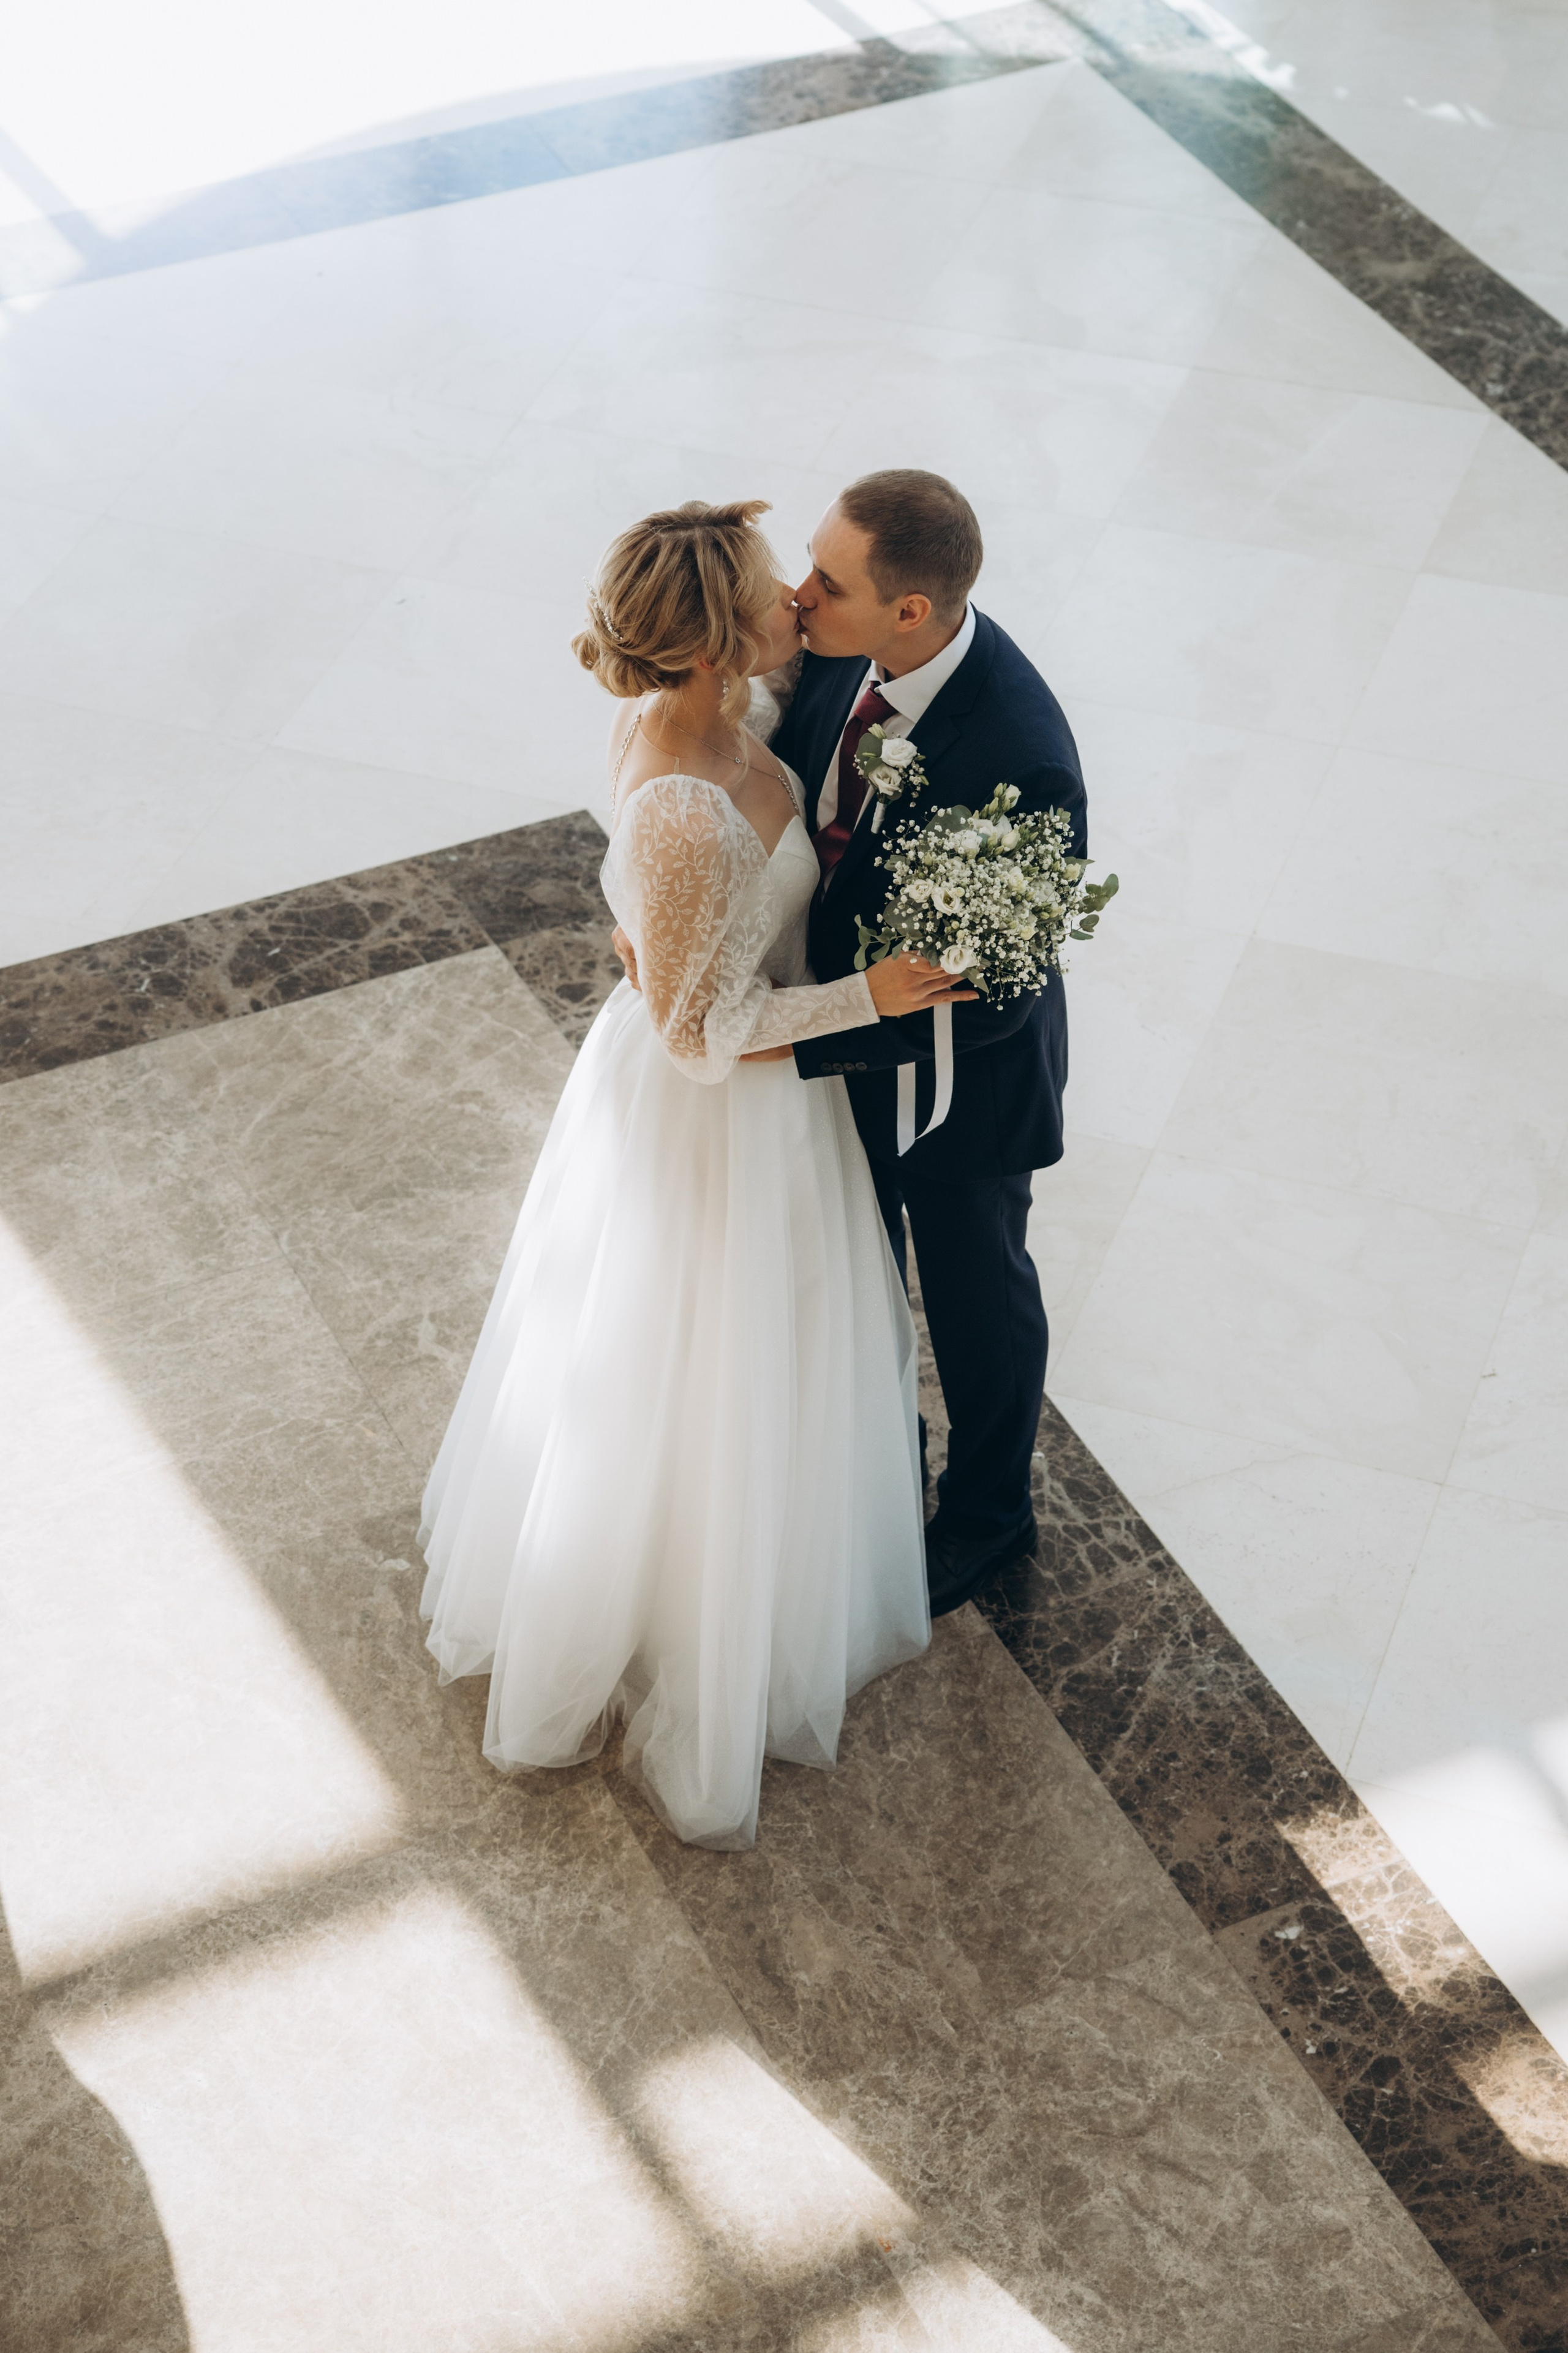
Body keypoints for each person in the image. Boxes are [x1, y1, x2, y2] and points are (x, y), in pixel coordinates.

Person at [418, 499, 974, 1851]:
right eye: (774, 587)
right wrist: (868, 994)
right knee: (697, 1368)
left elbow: (654, 929)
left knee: (765, 1362)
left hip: (760, 1094)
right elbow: (697, 1031)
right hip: (719, 1120)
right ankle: (691, 1620)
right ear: (722, 636)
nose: (798, 594)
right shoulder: (680, 793)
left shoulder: (736, 704)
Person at [775, 470, 1088, 1618]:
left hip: (961, 1088)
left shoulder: (1018, 754)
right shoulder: (833, 653)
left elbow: (997, 988)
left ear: (912, 610)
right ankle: (875, 1465)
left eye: (828, 580)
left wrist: (800, 1041)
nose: (798, 596)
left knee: (973, 1304)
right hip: (844, 1039)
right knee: (856, 1277)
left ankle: (991, 1515)